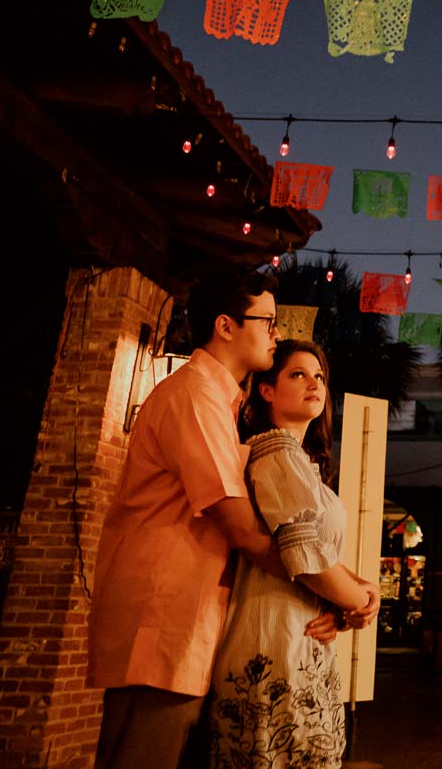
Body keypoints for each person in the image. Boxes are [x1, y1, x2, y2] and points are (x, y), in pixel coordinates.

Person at [90, 268, 314, 769]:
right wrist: (327, 589)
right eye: (268, 321)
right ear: (226, 326)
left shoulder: (220, 402)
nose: (276, 334)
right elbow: (237, 526)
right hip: (163, 620)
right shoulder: (194, 395)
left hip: (188, 621)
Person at [209, 340, 380, 767]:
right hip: (276, 641)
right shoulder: (275, 453)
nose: (314, 384)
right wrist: (361, 601)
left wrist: (356, 595)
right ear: (267, 390)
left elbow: (316, 557)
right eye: (298, 374)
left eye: (319, 376)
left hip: (303, 637)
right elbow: (305, 557)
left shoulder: (301, 464)